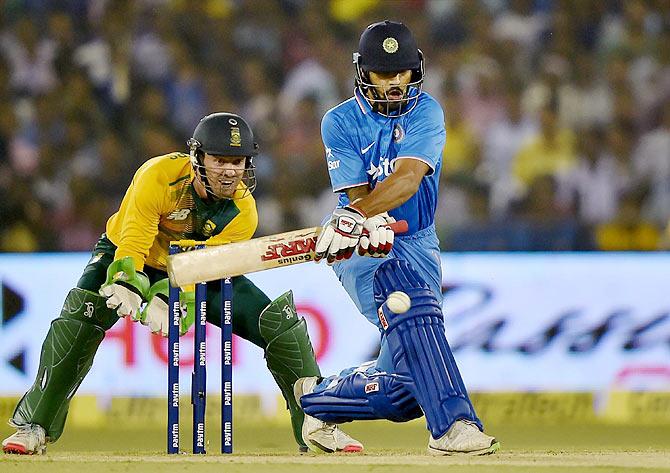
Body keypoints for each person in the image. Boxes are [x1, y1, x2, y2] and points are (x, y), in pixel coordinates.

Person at [2, 112, 361, 454]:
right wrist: (129, 281)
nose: (229, 171)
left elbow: (201, 273)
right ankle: (34, 426)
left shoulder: (243, 212)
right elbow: (133, 240)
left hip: (198, 268)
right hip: (132, 252)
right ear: (197, 157)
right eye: (220, 160)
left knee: (279, 323)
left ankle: (317, 422)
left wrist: (171, 301)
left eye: (237, 162)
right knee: (80, 318)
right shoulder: (158, 176)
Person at [293, 21, 500, 455]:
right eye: (383, 74)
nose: (393, 83)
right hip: (360, 244)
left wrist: (356, 212)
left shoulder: (427, 111)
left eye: (401, 73)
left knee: (407, 388)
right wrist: (356, 217)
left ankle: (317, 400)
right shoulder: (340, 122)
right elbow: (358, 197)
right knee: (412, 303)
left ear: (416, 70)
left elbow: (407, 178)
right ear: (362, 73)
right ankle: (453, 426)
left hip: (418, 239)